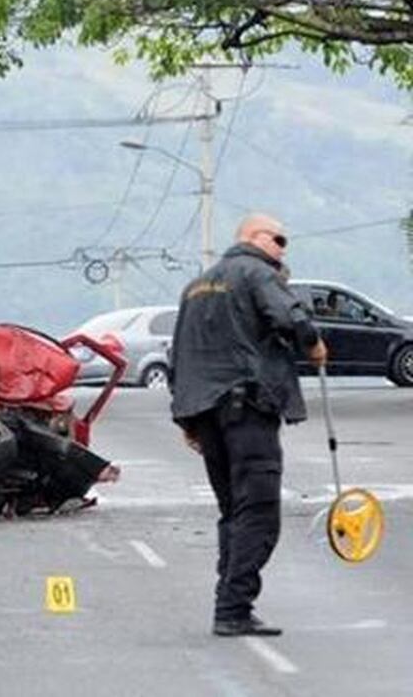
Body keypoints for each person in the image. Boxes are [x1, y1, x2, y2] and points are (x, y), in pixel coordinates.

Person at [170, 213, 327, 638]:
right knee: (257, 512)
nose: (282, 248)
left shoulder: (195, 287)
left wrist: (186, 417)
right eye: (278, 238)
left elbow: (179, 353)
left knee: (232, 511)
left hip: (205, 411)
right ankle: (233, 608)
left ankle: (231, 605)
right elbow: (291, 318)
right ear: (253, 237)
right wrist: (313, 345)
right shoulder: (257, 273)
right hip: (247, 409)